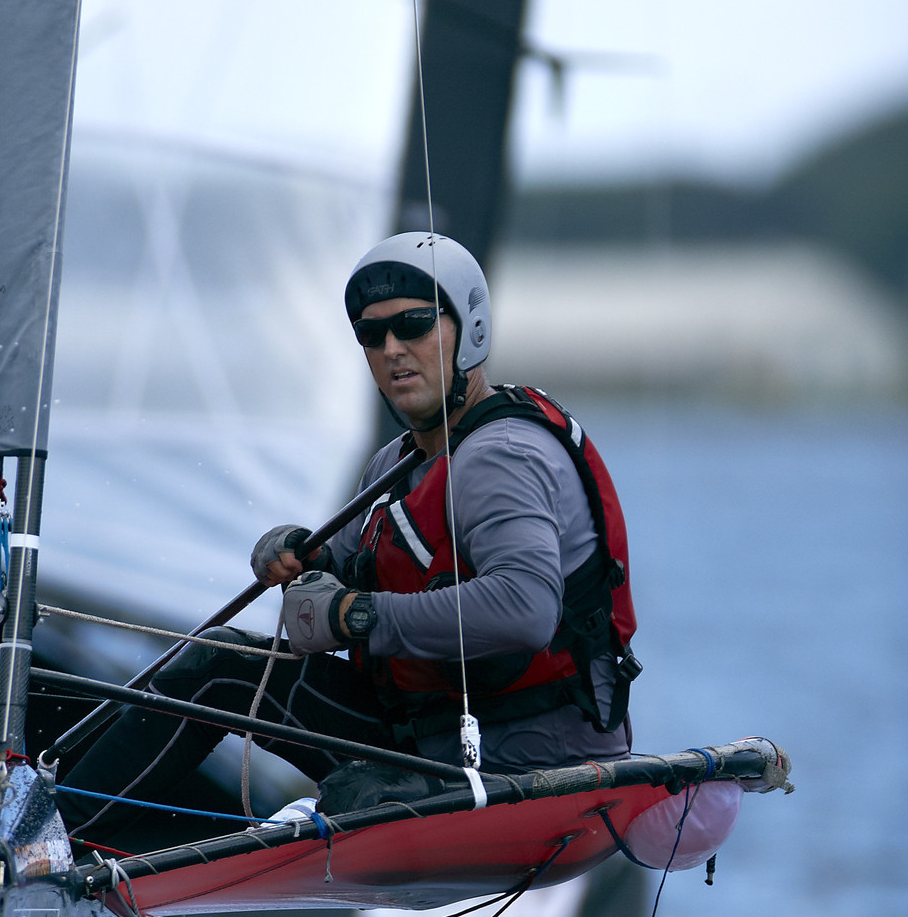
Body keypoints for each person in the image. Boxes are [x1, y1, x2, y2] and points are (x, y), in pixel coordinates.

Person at [59, 232, 640, 850]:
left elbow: (525, 610)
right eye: (371, 334)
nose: (392, 350)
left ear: (469, 330)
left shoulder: (502, 456)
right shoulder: (396, 463)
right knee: (219, 664)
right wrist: (300, 553)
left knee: (318, 758)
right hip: (428, 738)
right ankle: (52, 841)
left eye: (414, 325)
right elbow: (360, 565)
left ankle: (61, 847)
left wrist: (354, 615)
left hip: (532, 762)